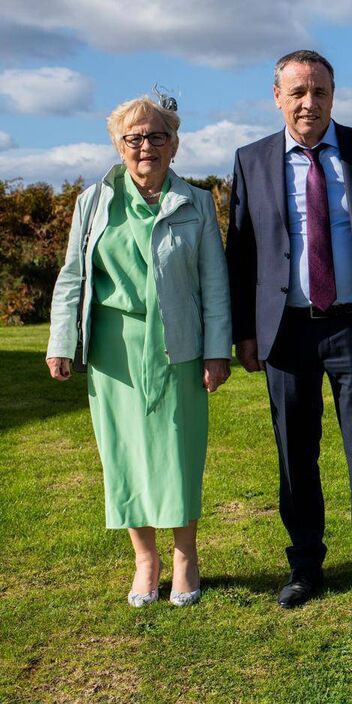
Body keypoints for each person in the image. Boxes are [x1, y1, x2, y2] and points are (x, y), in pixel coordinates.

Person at [225, 50, 352, 619]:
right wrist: (245, 333)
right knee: (294, 453)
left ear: (333, 94)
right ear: (277, 97)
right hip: (285, 332)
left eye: (319, 91)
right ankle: (305, 564)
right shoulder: (251, 159)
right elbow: (241, 250)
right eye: (298, 92)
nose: (309, 102)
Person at [46, 95, 231, 607]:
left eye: (156, 136)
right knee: (123, 453)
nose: (145, 146)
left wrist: (217, 350)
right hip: (114, 349)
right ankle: (145, 560)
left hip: (180, 344)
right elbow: (73, 276)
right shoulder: (92, 202)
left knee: (179, 451)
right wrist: (61, 341)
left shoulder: (196, 202)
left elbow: (215, 284)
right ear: (118, 145)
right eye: (134, 138)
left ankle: (186, 556)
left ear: (174, 144)